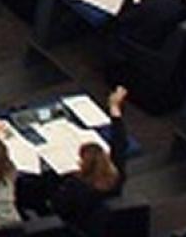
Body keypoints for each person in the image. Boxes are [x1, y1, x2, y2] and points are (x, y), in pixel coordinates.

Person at [48, 87, 129, 229]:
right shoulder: (117, 174)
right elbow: (120, 142)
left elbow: (57, 207)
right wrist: (114, 108)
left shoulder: (76, 187)